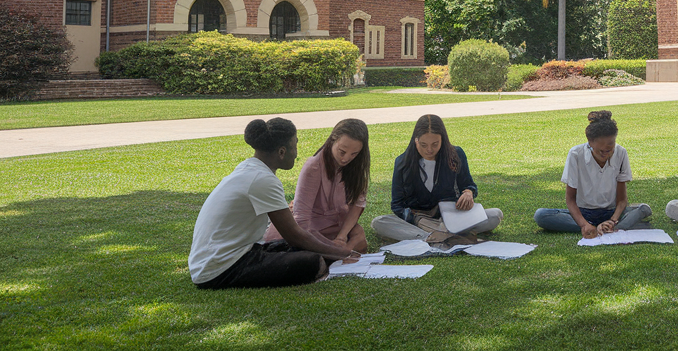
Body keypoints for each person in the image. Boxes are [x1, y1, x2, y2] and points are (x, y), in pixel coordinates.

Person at [189, 117, 359, 289]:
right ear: (282, 152)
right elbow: (294, 234)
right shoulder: (262, 180)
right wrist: (340, 252)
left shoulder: (250, 168)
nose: (296, 153)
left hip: (236, 253)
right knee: (311, 261)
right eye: (295, 145)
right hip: (219, 269)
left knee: (307, 250)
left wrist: (331, 251)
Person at [371, 114, 503, 241]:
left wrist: (469, 193)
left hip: (452, 218)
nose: (429, 150)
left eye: (435, 144)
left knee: (495, 215)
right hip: (419, 221)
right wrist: (417, 220)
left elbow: (469, 185)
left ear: (443, 140)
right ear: (415, 141)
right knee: (379, 222)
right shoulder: (402, 163)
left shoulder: (456, 155)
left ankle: (436, 235)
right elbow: (397, 205)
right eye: (423, 145)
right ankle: (432, 236)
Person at [534, 110, 653, 236]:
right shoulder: (575, 154)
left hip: (611, 213)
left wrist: (612, 220)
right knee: (541, 215)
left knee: (644, 209)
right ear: (590, 143)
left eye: (610, 148)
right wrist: (584, 224)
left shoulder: (621, 153)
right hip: (584, 214)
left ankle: (608, 227)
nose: (606, 154)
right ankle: (601, 228)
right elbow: (570, 199)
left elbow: (622, 199)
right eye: (601, 151)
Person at [263, 118, 370, 252]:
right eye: (342, 151)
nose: (346, 158)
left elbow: (357, 205)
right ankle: (339, 254)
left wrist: (341, 237)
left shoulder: (357, 167)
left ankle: (341, 253)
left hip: (335, 224)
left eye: (354, 154)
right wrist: (332, 247)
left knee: (359, 236)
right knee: (311, 251)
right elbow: (302, 220)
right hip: (310, 228)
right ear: (333, 141)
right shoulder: (314, 167)